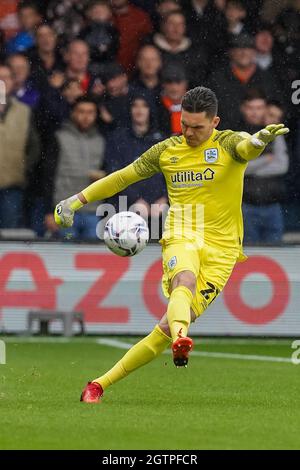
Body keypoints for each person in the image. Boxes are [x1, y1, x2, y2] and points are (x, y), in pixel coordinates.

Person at [54, 86, 289, 403]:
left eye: (197, 127)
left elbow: (246, 148)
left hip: (223, 251)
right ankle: (182, 339)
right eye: (185, 125)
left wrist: (258, 141)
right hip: (182, 231)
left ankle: (97, 384)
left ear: (215, 122)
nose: (189, 132)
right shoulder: (166, 150)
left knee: (165, 327)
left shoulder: (228, 142)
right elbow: (122, 178)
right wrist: (76, 200)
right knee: (184, 281)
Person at [44, 96, 106, 240]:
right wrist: (48, 211)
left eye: (90, 112)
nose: (86, 117)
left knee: (92, 259)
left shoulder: (101, 140)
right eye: (81, 111)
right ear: (73, 113)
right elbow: (48, 176)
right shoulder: (59, 137)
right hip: (65, 208)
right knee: (65, 256)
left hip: (93, 210)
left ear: (96, 115)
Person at [239, 94, 289, 244]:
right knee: (249, 255)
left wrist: (253, 169)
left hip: (273, 205)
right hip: (247, 204)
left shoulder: (275, 134)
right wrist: (266, 160)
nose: (255, 113)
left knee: (276, 252)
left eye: (259, 108)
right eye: (251, 108)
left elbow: (282, 166)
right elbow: (240, 167)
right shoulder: (241, 132)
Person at [0, 64, 40, 228]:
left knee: (10, 238)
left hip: (12, 187)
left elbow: (34, 147)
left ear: (13, 82)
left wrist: (21, 169)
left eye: (6, 77)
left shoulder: (24, 111)